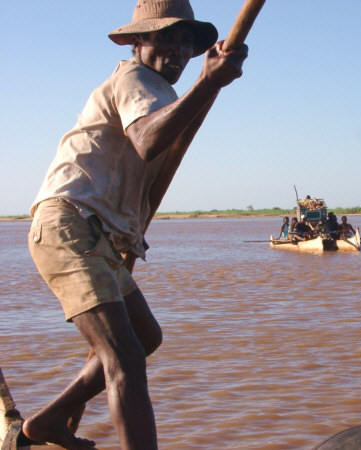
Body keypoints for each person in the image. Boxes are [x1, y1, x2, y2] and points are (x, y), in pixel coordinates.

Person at [24, 1, 248, 449]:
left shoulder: (163, 93)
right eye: (166, 37)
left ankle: (48, 420)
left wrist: (206, 86)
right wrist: (207, 80)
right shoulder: (133, 77)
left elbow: (147, 161)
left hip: (101, 235)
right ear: (138, 41)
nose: (180, 49)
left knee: (145, 337)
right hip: (69, 224)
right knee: (123, 357)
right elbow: (146, 141)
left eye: (187, 40)